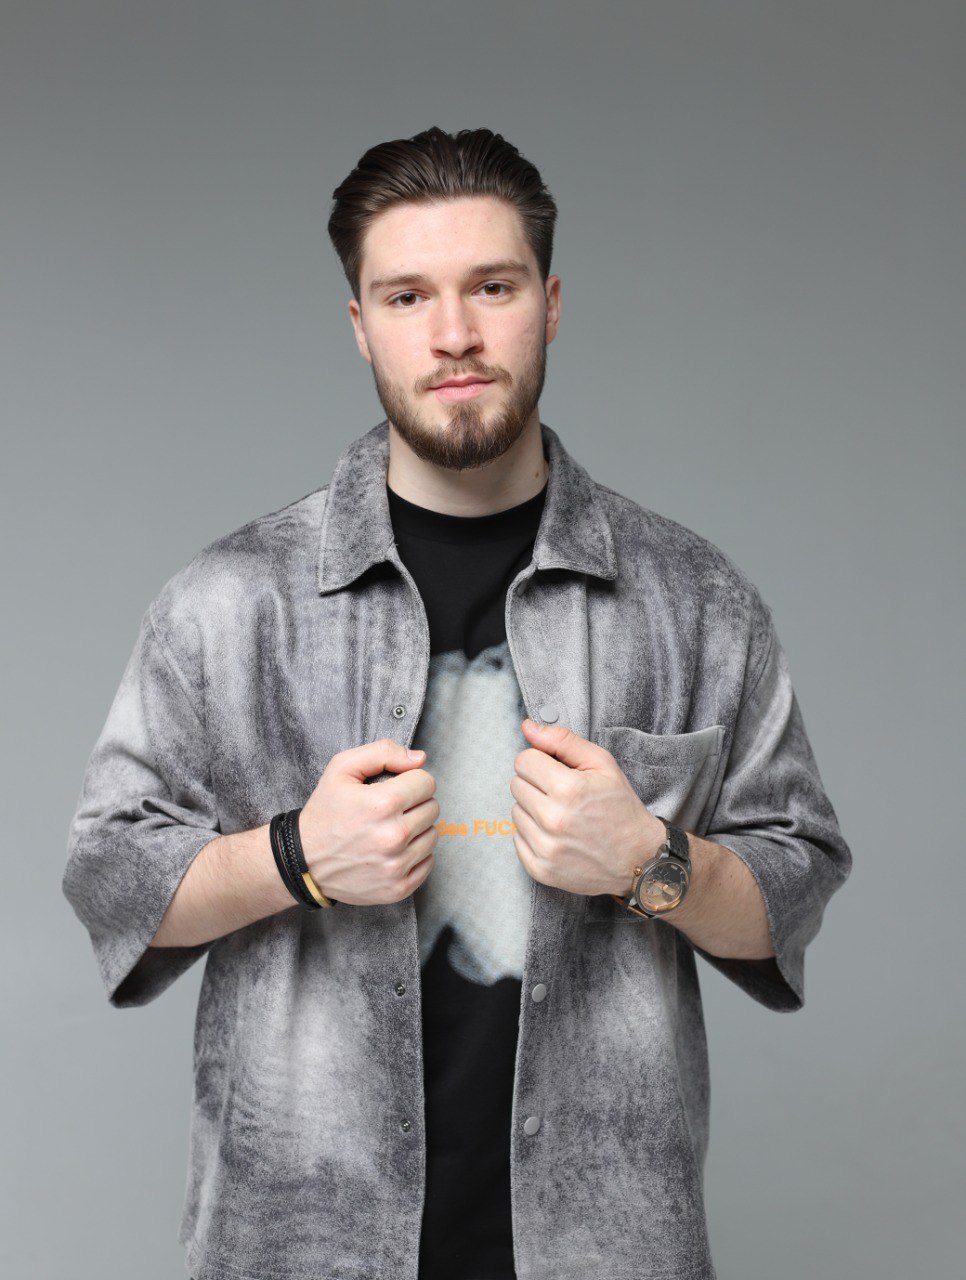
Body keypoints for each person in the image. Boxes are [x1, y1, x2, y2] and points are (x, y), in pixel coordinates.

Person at [63, 126, 851, 1280]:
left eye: (493, 286)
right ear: (359, 324)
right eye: (407, 295)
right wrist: (294, 855)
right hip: (301, 1244)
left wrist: (650, 858)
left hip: (607, 1251)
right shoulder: (226, 603)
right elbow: (107, 876)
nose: (454, 334)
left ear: (551, 302)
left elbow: (793, 889)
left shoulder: (694, 599)